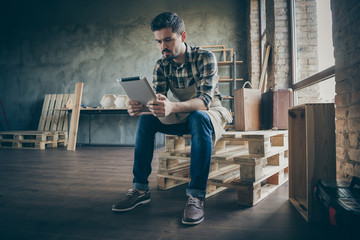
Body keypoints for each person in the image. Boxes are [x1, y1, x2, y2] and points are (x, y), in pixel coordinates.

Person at [112, 12, 232, 225]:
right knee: (147, 120)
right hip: (182, 113)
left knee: (198, 116)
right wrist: (142, 107)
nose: (162, 46)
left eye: (168, 39)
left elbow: (204, 101)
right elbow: (159, 98)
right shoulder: (162, 65)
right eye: (158, 41)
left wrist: (172, 106)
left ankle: (196, 196)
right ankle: (140, 189)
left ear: (182, 36)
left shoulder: (206, 58)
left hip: (211, 112)